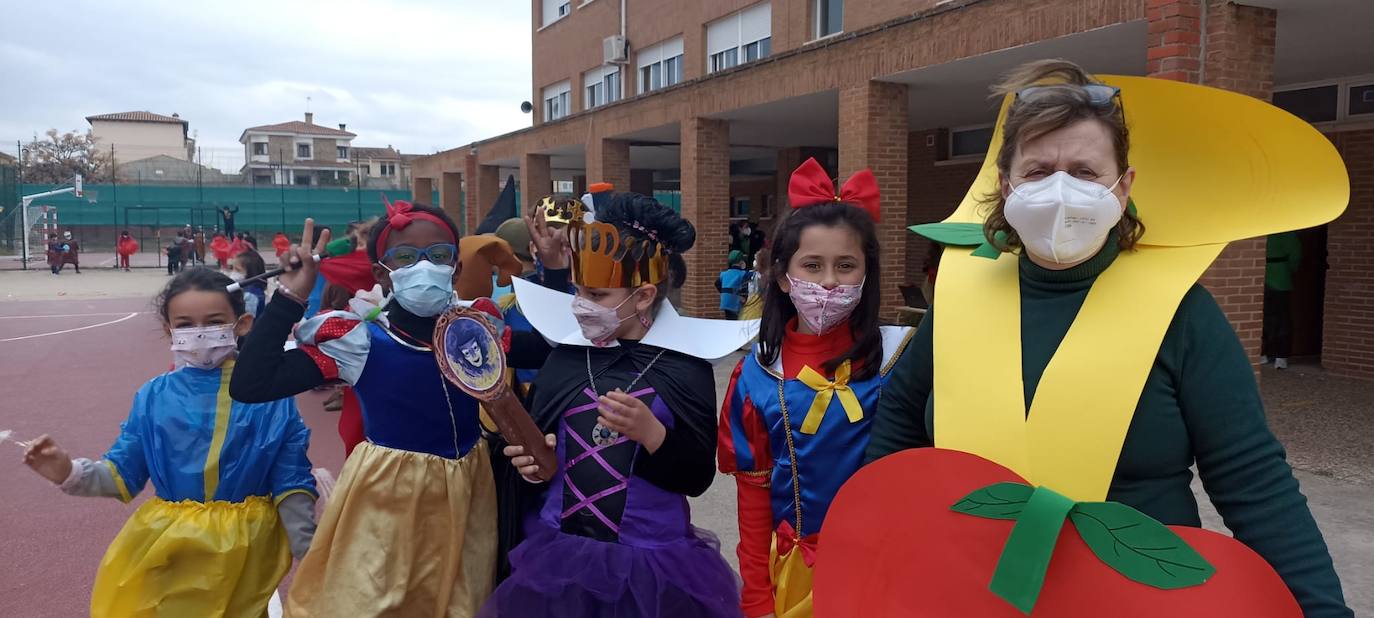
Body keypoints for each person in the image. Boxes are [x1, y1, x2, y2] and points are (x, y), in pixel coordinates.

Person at [863, 60, 1350, 615]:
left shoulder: (1181, 313)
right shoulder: (960, 296)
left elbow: (1253, 481)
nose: (1060, 190)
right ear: (1005, 187)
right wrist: (870, 544)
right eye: (1038, 170)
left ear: (1123, 188)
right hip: (968, 589)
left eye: (1085, 172)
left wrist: (1322, 610)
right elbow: (898, 423)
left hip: (1132, 597)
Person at [230, 204, 557, 616]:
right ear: (382, 273)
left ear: (455, 268)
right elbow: (252, 384)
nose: (424, 266)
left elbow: (550, 348)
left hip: (469, 488)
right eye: (405, 257)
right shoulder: (359, 341)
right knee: (373, 601)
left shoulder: (474, 330)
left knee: (458, 599)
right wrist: (291, 297)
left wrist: (555, 272)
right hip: (388, 494)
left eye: (438, 255)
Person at [481, 192, 741, 618]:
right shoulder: (567, 355)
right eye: (577, 290)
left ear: (642, 297)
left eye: (597, 294)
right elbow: (538, 444)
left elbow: (696, 476)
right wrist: (532, 463)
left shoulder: (683, 368)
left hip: (650, 563)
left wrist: (653, 435)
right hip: (559, 553)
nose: (580, 304)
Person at [21, 267, 317, 617]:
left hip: (245, 553)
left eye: (213, 320)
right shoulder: (153, 396)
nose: (199, 333)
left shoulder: (271, 396)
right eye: (186, 324)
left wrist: (314, 555)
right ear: (169, 330)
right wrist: (68, 472)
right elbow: (122, 474)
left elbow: (291, 481)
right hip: (168, 547)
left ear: (242, 323)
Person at [718, 158, 913, 618]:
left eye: (846, 265)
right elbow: (753, 499)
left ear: (866, 276)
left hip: (891, 568)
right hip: (798, 576)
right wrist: (756, 597)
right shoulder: (758, 375)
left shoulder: (900, 358)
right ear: (784, 277)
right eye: (813, 265)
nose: (829, 281)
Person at [1263, 231, 1302, 369]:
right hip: (1280, 278)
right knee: (1282, 319)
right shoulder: (1287, 233)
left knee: (1263, 317)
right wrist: (1288, 270)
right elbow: (1295, 255)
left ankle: (1263, 353)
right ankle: (1281, 356)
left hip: (1262, 278)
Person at [229, 249, 268, 318]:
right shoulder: (247, 289)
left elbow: (247, 321)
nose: (233, 272)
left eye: (238, 270)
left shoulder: (250, 295)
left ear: (251, 272)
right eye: (232, 268)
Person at [715, 250, 750, 320]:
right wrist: (743, 297)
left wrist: (724, 293)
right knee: (736, 321)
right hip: (736, 303)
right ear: (741, 262)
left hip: (725, 302)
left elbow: (717, 283)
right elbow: (745, 287)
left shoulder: (724, 274)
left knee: (729, 319)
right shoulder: (743, 274)